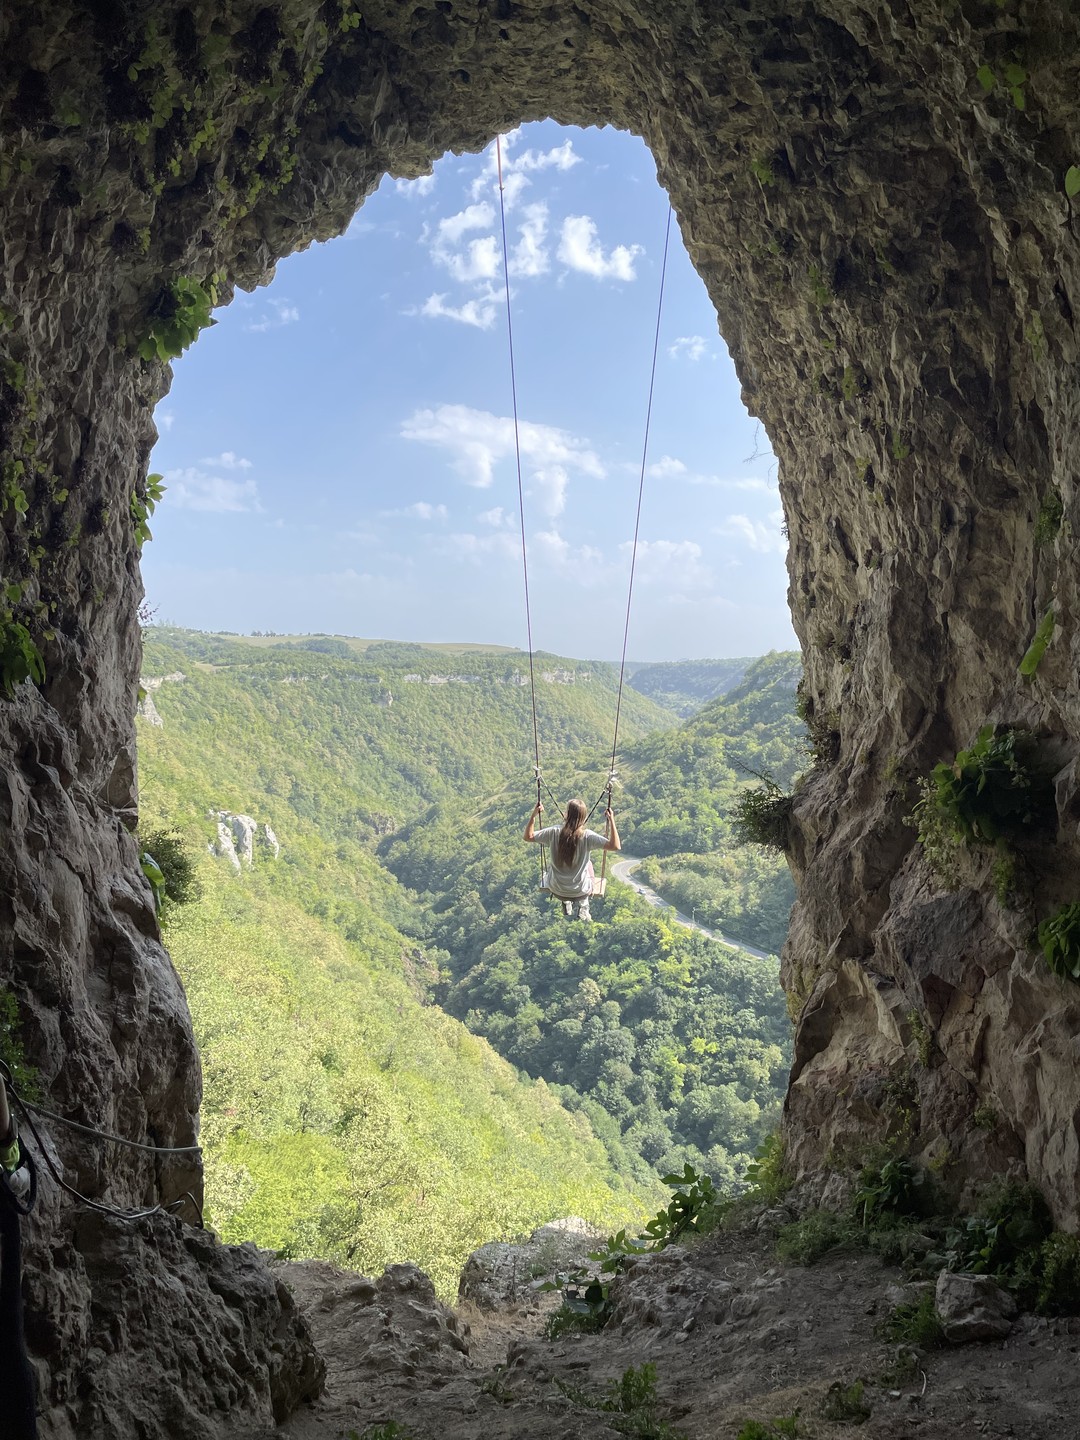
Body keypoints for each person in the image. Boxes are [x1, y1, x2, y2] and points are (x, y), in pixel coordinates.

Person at [524, 797, 620, 921]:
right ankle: (584, 906)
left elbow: (528, 837)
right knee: (589, 864)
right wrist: (611, 820)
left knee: (553, 867)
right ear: (584, 818)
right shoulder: (587, 836)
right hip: (580, 892)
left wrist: (533, 815)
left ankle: (566, 903)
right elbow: (615, 846)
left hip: (557, 889)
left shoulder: (554, 832)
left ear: (566, 814)